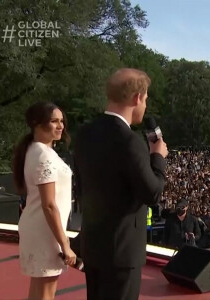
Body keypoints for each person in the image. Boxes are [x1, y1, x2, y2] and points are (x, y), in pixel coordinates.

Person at [74, 68, 168, 300]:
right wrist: (157, 157)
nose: (144, 105)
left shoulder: (85, 134)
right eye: (145, 99)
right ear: (137, 98)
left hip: (93, 246)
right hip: (122, 253)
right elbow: (153, 193)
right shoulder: (129, 140)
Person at [12, 102, 76, 300]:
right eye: (53, 121)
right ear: (36, 123)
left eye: (61, 121)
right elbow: (49, 205)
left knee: (39, 292)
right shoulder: (43, 155)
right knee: (46, 293)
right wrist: (64, 245)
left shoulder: (36, 150)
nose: (60, 126)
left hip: (40, 228)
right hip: (46, 232)